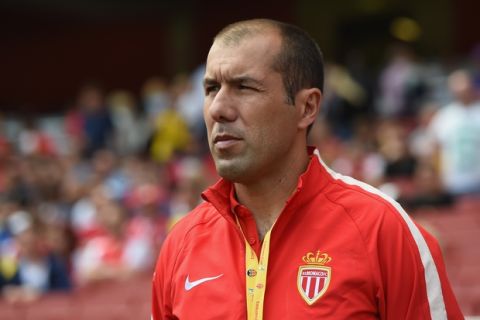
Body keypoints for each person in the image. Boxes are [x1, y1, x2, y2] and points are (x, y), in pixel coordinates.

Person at [151, 19, 463, 319]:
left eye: (244, 87)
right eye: (210, 88)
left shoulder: (383, 230)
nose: (218, 108)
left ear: (307, 108)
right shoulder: (180, 244)